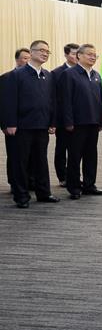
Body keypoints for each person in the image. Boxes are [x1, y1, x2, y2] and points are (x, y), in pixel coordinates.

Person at [2, 40, 59, 208]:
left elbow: (52, 101)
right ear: (31, 52)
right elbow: (8, 102)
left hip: (41, 125)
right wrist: (9, 123)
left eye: (47, 51)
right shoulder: (16, 75)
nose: (45, 53)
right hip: (21, 127)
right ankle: (21, 196)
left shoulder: (48, 76)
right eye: (41, 50)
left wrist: (52, 121)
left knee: (41, 161)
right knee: (20, 162)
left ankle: (44, 193)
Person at [59, 44, 102, 200]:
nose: (93, 57)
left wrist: (101, 121)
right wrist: (68, 122)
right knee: (75, 156)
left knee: (91, 155)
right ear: (79, 55)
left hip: (93, 123)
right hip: (76, 124)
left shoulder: (96, 75)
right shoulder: (69, 74)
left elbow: (100, 101)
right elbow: (65, 100)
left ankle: (89, 185)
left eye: (95, 55)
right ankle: (73, 187)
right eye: (89, 54)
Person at [1, 48, 31, 189]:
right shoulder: (6, 77)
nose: (28, 61)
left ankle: (30, 181)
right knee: (15, 156)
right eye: (25, 58)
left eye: (29, 58)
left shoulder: (35, 77)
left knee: (31, 156)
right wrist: (4, 125)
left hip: (30, 124)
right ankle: (14, 183)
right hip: (13, 125)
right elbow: (3, 104)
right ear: (17, 60)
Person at [50, 43, 79, 188]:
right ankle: (62, 177)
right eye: (73, 53)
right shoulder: (56, 73)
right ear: (66, 55)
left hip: (79, 119)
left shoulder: (83, 71)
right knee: (62, 148)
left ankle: (74, 177)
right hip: (62, 119)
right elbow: (53, 99)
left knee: (76, 150)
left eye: (78, 53)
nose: (76, 56)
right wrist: (53, 122)